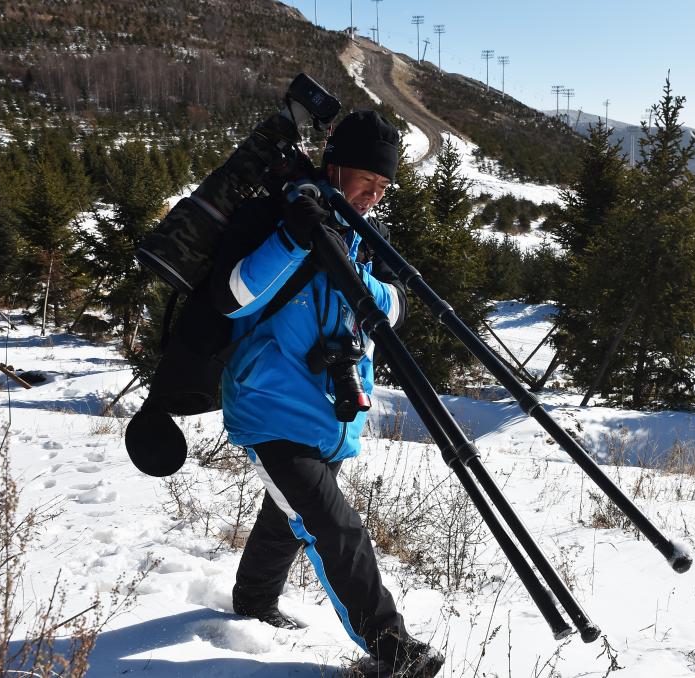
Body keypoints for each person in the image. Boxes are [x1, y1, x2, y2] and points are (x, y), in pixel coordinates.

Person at [210, 110, 444, 677]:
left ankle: (254, 600)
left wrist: (351, 273)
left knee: (289, 513)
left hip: (332, 414)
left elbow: (395, 308)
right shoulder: (280, 220)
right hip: (270, 408)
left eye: (383, 186)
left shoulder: (363, 237)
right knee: (333, 527)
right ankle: (393, 651)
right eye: (366, 180)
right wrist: (295, 239)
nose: (373, 196)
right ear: (335, 167)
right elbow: (233, 298)